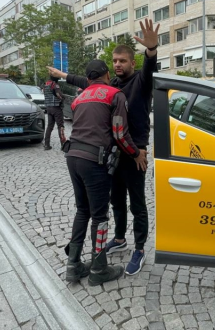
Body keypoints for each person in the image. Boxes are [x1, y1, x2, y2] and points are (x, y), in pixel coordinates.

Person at [48, 18, 158, 275]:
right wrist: (63, 75)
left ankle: (140, 248)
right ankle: (119, 238)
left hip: (136, 153)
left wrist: (151, 50)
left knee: (138, 203)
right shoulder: (110, 87)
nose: (118, 64)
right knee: (116, 200)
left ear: (132, 62)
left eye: (122, 61)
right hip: (111, 154)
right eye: (115, 61)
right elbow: (85, 81)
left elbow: (150, 66)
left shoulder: (141, 81)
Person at [63, 59, 147, 286]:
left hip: (73, 157)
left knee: (83, 210)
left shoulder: (79, 98)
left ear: (88, 79)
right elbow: (120, 133)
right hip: (94, 161)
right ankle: (99, 268)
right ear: (108, 75)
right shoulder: (115, 94)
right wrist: (136, 154)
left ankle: (73, 266)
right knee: (99, 217)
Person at [41, 77, 66, 150]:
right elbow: (59, 94)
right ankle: (63, 145)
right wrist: (64, 97)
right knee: (60, 126)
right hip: (56, 108)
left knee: (49, 126)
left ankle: (46, 144)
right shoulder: (55, 85)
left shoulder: (46, 85)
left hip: (48, 108)